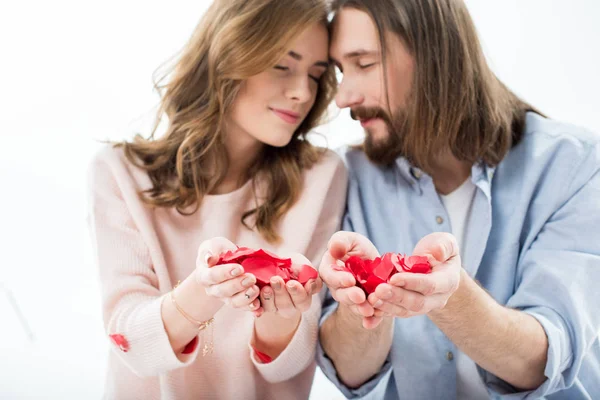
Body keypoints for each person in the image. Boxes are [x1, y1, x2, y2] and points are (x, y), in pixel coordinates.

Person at [316, 0, 600, 399]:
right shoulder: (350, 176)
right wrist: (364, 303)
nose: (344, 96)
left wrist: (450, 297)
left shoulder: (574, 163)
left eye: (364, 64)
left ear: (436, 56)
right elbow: (348, 372)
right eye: (341, 71)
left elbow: (543, 358)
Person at [87, 0, 347, 398]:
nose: (302, 93)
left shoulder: (320, 177)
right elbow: (131, 342)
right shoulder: (120, 173)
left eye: (315, 75)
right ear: (227, 55)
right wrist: (205, 291)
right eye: (282, 65)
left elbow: (293, 366)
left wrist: (283, 315)